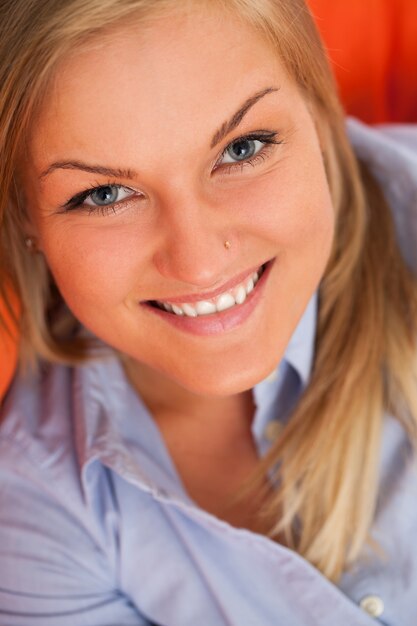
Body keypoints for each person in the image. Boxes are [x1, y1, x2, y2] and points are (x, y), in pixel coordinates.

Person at [0, 0, 416, 624]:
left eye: (243, 147)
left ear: (321, 114)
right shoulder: (38, 501)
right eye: (104, 194)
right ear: (26, 215)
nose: (196, 264)